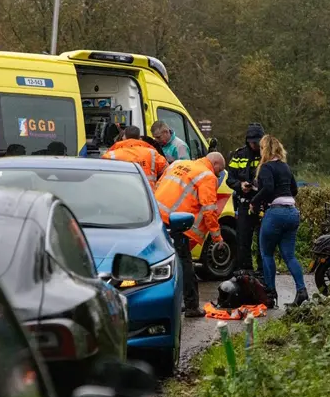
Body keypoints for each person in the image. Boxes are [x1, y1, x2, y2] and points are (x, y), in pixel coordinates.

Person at [155, 152, 227, 317]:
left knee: (163, 263)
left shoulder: (177, 164)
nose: (218, 175)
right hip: (177, 223)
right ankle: (191, 306)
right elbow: (209, 210)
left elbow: (158, 186)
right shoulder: (207, 176)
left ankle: (169, 302)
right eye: (219, 171)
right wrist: (217, 237)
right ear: (215, 164)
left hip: (157, 218)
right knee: (185, 265)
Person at [249, 135, 307, 308]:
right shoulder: (285, 167)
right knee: (289, 256)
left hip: (275, 213)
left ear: (265, 149)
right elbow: (294, 190)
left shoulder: (266, 167)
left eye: (261, 148)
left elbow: (268, 188)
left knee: (266, 253)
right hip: (292, 212)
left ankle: (270, 294)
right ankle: (302, 291)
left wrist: (254, 202)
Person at [226, 123, 265, 275]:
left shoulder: (267, 155)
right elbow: (230, 179)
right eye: (252, 141)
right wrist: (240, 185)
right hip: (244, 202)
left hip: (263, 204)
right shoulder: (239, 155)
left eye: (257, 141)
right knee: (243, 239)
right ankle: (246, 271)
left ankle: (263, 271)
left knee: (263, 240)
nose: (254, 144)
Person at [101, 125, 169, 188]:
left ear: (124, 137)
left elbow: (101, 175)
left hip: (120, 195)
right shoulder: (152, 153)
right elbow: (168, 171)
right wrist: (157, 187)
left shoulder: (111, 155)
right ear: (139, 138)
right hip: (146, 196)